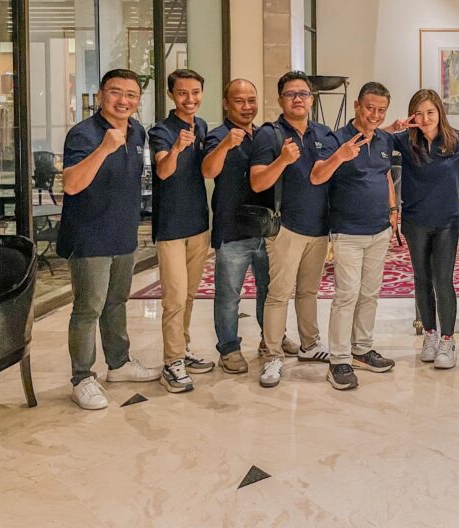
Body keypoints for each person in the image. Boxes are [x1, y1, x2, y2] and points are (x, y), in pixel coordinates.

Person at [59, 69, 161, 410]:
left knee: (116, 302)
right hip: (89, 236)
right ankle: (82, 378)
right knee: (88, 308)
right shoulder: (83, 134)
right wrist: (104, 148)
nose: (123, 100)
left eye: (131, 95)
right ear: (101, 94)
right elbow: (71, 184)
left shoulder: (137, 131)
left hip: (123, 233)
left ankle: (118, 364)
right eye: (116, 92)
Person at [203, 79, 297, 374]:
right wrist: (225, 145)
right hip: (232, 229)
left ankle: (271, 338)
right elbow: (208, 171)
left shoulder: (265, 135)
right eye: (239, 101)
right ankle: (229, 349)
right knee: (229, 295)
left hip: (266, 228)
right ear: (226, 104)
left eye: (251, 100)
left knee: (269, 291)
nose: (247, 106)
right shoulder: (218, 135)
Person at [385, 90, 459, 370]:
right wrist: (393, 126)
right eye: (419, 113)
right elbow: (372, 136)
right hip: (415, 221)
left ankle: (447, 339)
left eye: (430, 112)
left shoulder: (456, 139)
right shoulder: (405, 141)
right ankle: (429, 334)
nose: (425, 119)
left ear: (440, 112)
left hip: (446, 223)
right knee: (421, 279)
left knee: (443, 280)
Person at [311, 82, 398, 391]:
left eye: (381, 110)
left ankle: (361, 349)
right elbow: (317, 176)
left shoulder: (385, 139)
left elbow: (385, 175)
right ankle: (338, 360)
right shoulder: (336, 139)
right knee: (346, 295)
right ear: (357, 105)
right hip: (347, 231)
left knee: (369, 293)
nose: (375, 114)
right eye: (369, 107)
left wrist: (392, 209)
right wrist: (341, 156)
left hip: (379, 230)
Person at [250, 71, 334, 389]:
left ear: (312, 99)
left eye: (303, 94)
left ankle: (310, 344)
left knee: (309, 291)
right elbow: (258, 182)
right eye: (290, 94)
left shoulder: (323, 133)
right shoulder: (269, 135)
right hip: (286, 227)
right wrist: (283, 160)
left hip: (319, 227)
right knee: (279, 294)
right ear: (280, 99)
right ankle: (272, 354)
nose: (298, 99)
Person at [149, 69, 214, 393]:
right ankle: (171, 362)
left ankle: (183, 349)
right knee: (174, 298)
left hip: (198, 224)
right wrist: (176, 148)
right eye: (183, 93)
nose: (190, 99)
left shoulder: (201, 125)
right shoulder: (161, 130)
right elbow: (163, 171)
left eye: (195, 92)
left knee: (188, 295)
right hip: (171, 227)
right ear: (171, 95)